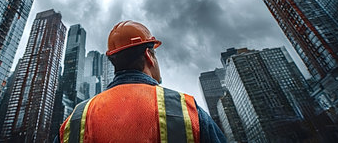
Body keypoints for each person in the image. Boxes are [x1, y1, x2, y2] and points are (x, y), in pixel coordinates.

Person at [56, 20, 226, 143]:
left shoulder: (77, 117)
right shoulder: (186, 109)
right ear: (149, 56)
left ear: (113, 61)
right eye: (155, 54)